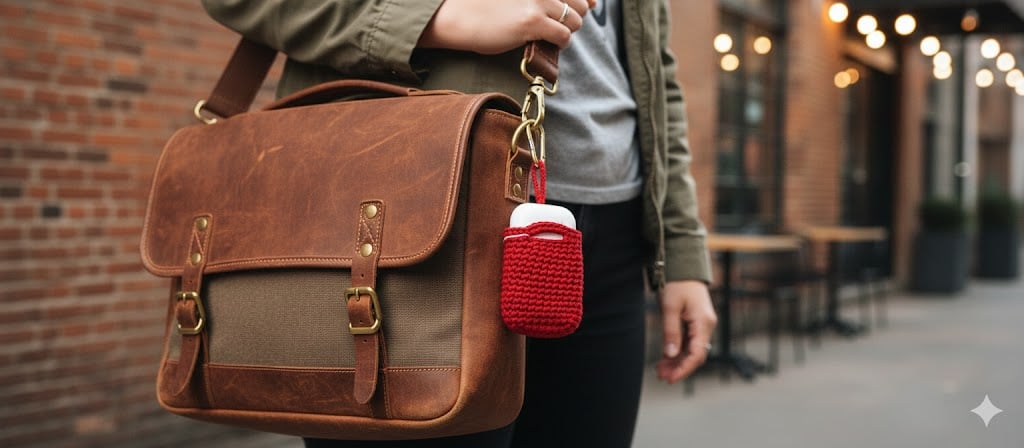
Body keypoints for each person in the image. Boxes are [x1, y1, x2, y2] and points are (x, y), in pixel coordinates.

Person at [200, 0, 718, 446]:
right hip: (421, 215)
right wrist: (438, 16)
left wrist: (680, 249)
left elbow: (654, 73)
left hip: (610, 235)